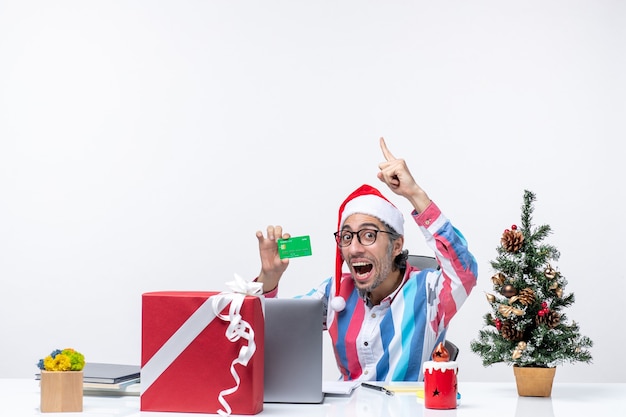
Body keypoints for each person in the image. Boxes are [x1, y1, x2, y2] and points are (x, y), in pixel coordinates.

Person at [255, 137, 478, 382]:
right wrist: (270, 278)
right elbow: (268, 332)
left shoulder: (430, 292)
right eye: (347, 237)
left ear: (396, 245)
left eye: (368, 235)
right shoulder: (334, 292)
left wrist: (414, 194)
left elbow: (464, 271)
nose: (354, 248)